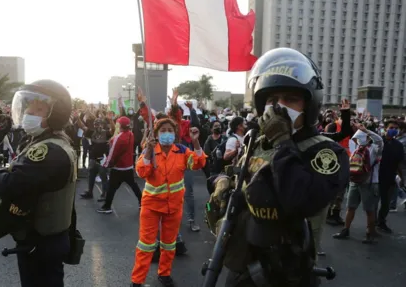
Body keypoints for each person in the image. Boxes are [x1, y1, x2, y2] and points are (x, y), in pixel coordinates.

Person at [211, 48, 349, 287]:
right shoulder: (255, 142)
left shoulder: (325, 152)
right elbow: (243, 180)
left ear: (309, 104)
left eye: (290, 98)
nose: (279, 107)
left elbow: (300, 200)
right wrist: (221, 182)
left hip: (289, 274)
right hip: (241, 265)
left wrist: (283, 142)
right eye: (272, 100)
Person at [0, 80, 78, 287]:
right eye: (29, 107)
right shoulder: (55, 143)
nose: (29, 112)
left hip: (40, 243)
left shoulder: (49, 151)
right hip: (48, 239)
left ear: (56, 114)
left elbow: (9, 185)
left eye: (39, 109)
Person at [130, 118, 206, 287]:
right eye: (163, 130)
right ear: (156, 134)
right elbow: (142, 172)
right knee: (146, 245)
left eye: (170, 130)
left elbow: (199, 163)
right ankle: (137, 280)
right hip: (151, 206)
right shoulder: (149, 150)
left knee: (169, 244)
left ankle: (164, 274)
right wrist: (149, 151)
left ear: (175, 133)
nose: (167, 133)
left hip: (174, 207)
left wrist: (196, 142)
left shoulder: (182, 151)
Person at [97, 116, 142, 214]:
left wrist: (105, 165)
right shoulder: (130, 134)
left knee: (111, 188)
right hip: (128, 166)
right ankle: (142, 202)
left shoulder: (118, 138)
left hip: (118, 167)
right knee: (133, 185)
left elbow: (112, 154)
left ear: (119, 125)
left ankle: (107, 206)